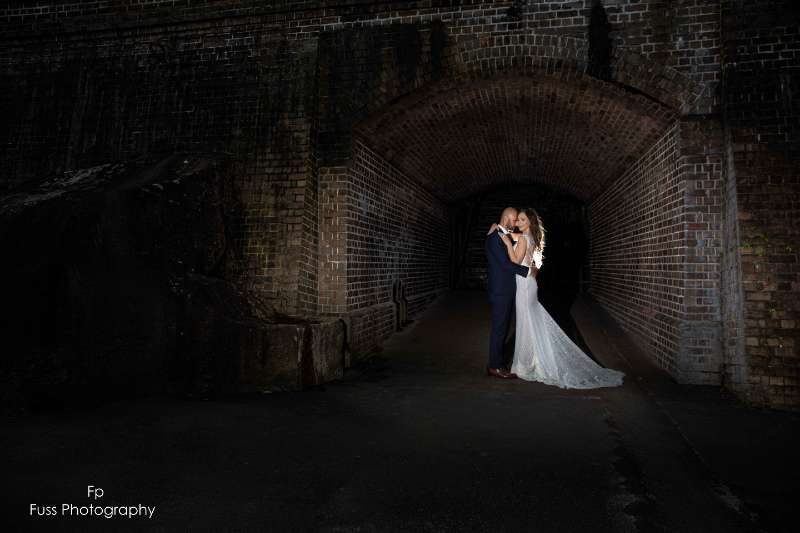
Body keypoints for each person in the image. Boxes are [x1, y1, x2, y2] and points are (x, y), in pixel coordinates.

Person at [490, 208, 625, 388]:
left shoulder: (522, 238)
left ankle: (526, 364)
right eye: (517, 220)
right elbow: (508, 235)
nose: (517, 223)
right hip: (528, 285)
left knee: (525, 323)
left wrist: (507, 244)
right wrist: (498, 229)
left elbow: (514, 261)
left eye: (521, 220)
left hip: (524, 286)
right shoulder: (527, 237)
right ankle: (530, 360)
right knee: (529, 323)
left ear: (529, 223)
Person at [484, 207, 532, 379]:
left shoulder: (500, 235)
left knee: (503, 327)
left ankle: (496, 362)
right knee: (499, 328)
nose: (516, 224)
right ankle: (495, 366)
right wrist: (528, 272)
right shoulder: (494, 238)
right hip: (500, 291)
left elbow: (515, 244)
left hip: (506, 290)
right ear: (507, 218)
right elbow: (505, 265)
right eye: (514, 220)